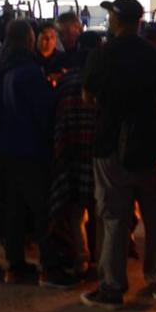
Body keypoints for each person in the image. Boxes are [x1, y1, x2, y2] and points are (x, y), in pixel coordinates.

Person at [81, 0, 156, 309]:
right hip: (150, 144)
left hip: (112, 146)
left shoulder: (103, 55)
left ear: (117, 20)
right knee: (155, 216)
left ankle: (112, 286)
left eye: (110, 16)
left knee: (114, 218)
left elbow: (88, 96)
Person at [0, 20, 75, 288]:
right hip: (30, 150)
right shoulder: (27, 71)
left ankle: (15, 266)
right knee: (43, 210)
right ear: (27, 40)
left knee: (15, 209)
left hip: (7, 148)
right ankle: (50, 268)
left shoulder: (1, 66)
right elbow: (44, 110)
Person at [48, 35, 100, 279]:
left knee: (76, 210)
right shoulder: (105, 79)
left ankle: (81, 260)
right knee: (103, 210)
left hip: (72, 150)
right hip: (101, 152)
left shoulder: (67, 81)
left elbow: (57, 116)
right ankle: (104, 262)